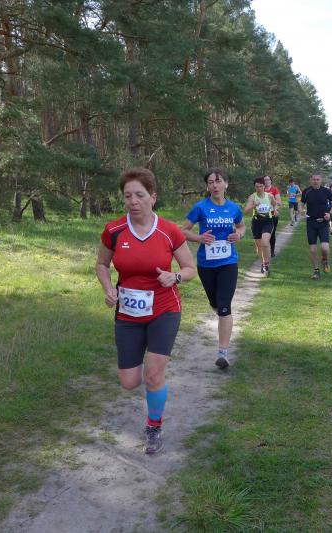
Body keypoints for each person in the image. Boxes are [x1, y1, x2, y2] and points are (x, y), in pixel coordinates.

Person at [96, 167, 196, 455]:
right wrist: (108, 289)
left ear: (153, 197)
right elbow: (101, 264)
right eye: (128, 196)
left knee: (153, 374)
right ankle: (153, 386)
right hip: (128, 313)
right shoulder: (114, 230)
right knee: (129, 382)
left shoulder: (169, 231)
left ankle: (154, 426)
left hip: (164, 309)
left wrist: (175, 277)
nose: (133, 201)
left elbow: (190, 269)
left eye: (139, 195)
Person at [182, 168, 245, 370]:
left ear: (226, 184)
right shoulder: (200, 207)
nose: (215, 185)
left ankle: (223, 353)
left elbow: (241, 226)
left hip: (228, 262)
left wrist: (239, 235)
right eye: (210, 182)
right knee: (215, 304)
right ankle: (224, 317)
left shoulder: (234, 208)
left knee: (224, 306)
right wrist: (199, 238)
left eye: (218, 181)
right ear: (207, 186)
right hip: (206, 264)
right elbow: (183, 230)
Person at [301, 172, 332, 279]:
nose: (315, 181)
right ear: (311, 180)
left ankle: (324, 259)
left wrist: (329, 214)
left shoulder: (326, 191)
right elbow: (301, 204)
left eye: (317, 179)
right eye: (314, 179)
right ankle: (316, 271)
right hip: (311, 223)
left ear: (321, 180)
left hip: (323, 223)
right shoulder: (306, 191)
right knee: (313, 249)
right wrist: (301, 211)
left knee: (325, 248)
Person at [244, 176, 276, 275]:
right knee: (259, 247)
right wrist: (254, 205)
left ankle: (266, 265)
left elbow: (274, 204)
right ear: (255, 187)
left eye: (261, 186)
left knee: (265, 243)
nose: (259, 188)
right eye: (257, 187)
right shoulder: (252, 197)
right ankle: (263, 263)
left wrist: (275, 210)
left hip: (268, 222)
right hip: (256, 223)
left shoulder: (269, 196)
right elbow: (246, 211)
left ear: (264, 186)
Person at [263, 175, 282, 258]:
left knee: (272, 233)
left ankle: (272, 251)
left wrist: (273, 203)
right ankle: (264, 250)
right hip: (262, 215)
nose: (266, 181)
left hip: (273, 214)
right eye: (265, 180)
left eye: (268, 179)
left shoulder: (274, 190)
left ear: (271, 181)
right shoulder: (261, 190)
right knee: (263, 233)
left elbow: (279, 202)